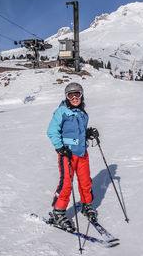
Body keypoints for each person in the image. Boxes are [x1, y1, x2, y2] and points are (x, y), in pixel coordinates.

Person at [47, 82, 99, 231]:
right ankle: (58, 212)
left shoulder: (83, 114)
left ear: (82, 96)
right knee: (66, 184)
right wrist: (60, 148)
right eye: (71, 95)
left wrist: (89, 134)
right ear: (66, 97)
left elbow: (80, 133)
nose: (75, 98)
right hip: (67, 155)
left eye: (78, 94)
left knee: (85, 182)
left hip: (82, 154)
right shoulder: (61, 112)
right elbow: (52, 131)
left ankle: (87, 205)